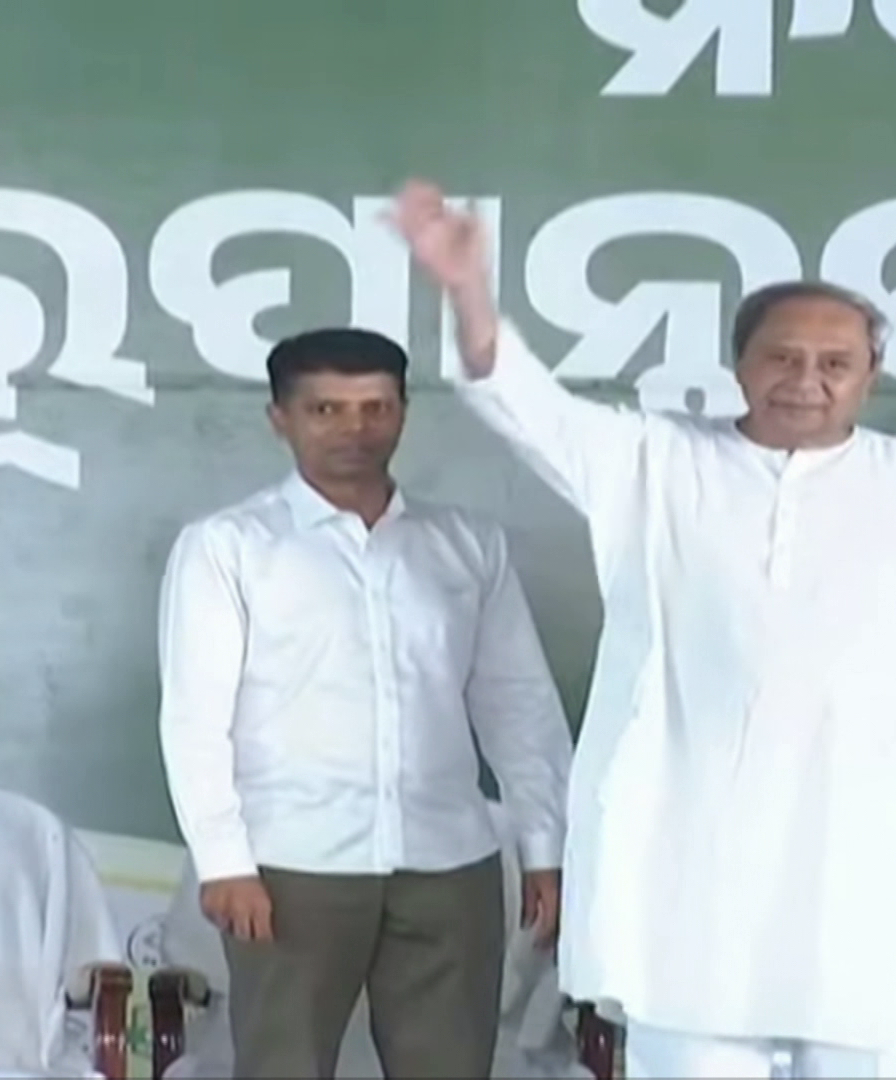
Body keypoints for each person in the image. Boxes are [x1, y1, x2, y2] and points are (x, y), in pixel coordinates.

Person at [389, 180, 896, 1079]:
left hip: (864, 848)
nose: (806, 380)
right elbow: (523, 405)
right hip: (689, 854)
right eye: (783, 358)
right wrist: (468, 291)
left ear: (871, 376)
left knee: (864, 1046)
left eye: (835, 363)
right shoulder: (655, 462)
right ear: (740, 365)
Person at [155, 327, 574, 1079]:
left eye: (376, 407)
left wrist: (545, 847)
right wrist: (223, 862)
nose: (355, 428)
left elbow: (519, 704)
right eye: (325, 409)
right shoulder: (228, 547)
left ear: (404, 412)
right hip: (290, 864)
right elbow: (195, 719)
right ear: (280, 418)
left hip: (449, 860)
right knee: (283, 1067)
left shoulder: (466, 543)